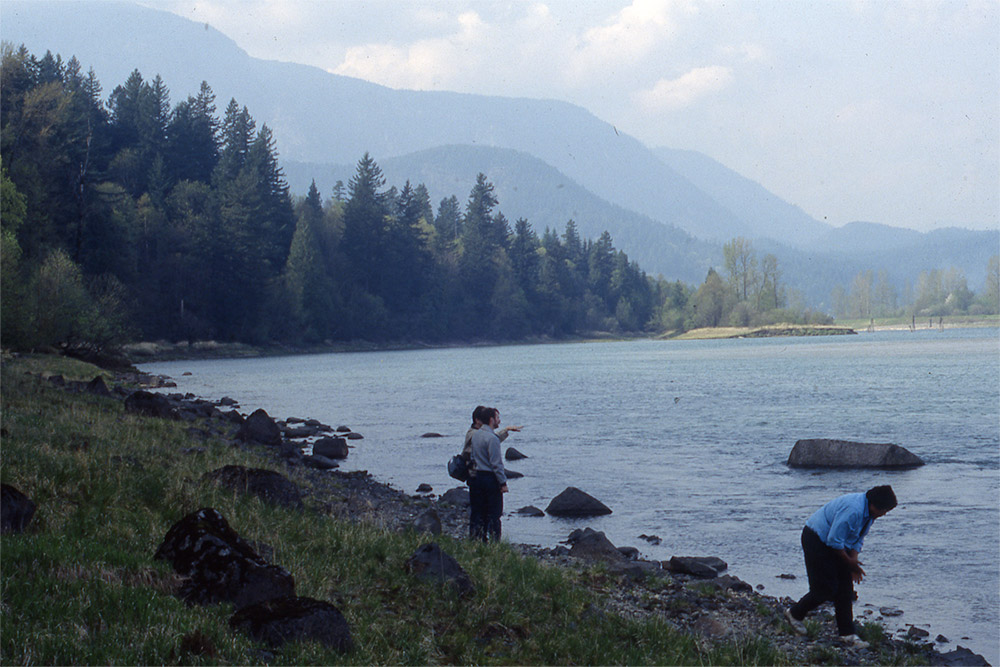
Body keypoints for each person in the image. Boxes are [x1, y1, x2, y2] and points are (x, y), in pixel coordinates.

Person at [784, 485, 898, 648]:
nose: (885, 514)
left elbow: (857, 540)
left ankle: (847, 634)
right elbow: (834, 540)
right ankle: (794, 614)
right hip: (816, 539)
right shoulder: (853, 510)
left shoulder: (869, 514)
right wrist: (850, 564)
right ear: (875, 505)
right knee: (825, 589)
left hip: (835, 543)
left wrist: (852, 563)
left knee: (845, 590)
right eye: (885, 510)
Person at [467, 407, 510, 542]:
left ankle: (477, 539)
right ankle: (495, 543)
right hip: (490, 479)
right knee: (495, 514)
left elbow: (473, 456)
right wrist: (503, 483)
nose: (499, 421)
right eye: (497, 418)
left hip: (477, 477)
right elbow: (496, 464)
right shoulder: (492, 439)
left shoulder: (476, 435)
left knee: (480, 512)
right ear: (491, 420)